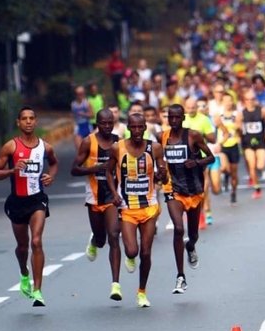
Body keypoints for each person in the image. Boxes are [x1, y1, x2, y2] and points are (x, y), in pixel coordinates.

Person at [0, 106, 58, 306]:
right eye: (24, 119)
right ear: (18, 123)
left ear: (36, 121)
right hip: (17, 201)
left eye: (31, 118)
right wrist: (12, 171)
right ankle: (23, 273)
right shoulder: (10, 147)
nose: (28, 122)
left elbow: (54, 163)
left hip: (37, 199)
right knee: (22, 246)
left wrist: (50, 176)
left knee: (36, 241)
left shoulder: (45, 147)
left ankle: (37, 291)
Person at [106, 113, 165, 308]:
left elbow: (163, 176)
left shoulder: (154, 148)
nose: (138, 131)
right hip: (127, 207)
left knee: (146, 253)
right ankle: (130, 256)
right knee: (132, 250)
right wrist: (114, 193)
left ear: (145, 127)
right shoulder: (118, 148)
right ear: (129, 128)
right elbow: (108, 171)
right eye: (134, 127)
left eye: (141, 127)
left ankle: (142, 292)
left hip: (148, 206)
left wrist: (162, 174)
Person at [159, 104, 215, 294]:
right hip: (173, 189)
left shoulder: (193, 135)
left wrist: (196, 162)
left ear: (183, 118)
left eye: (177, 118)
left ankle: (190, 246)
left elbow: (211, 157)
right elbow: (157, 158)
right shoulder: (163, 136)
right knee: (178, 228)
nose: (174, 121)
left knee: (193, 235)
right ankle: (180, 276)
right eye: (170, 117)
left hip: (194, 189)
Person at [70, 108, 122, 301]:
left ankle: (115, 285)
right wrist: (94, 168)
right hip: (94, 195)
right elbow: (74, 169)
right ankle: (94, 240)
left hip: (113, 196)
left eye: (110, 123)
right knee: (101, 239)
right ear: (97, 124)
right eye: (103, 123)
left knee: (114, 236)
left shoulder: (119, 141)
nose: (107, 126)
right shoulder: (88, 142)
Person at [182, 97, 217, 222]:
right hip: (185, 158)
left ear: (197, 107)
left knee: (202, 187)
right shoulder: (182, 119)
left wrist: (200, 135)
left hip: (201, 157)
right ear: (185, 108)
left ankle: (204, 211)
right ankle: (194, 210)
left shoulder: (204, 119)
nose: (191, 110)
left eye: (193, 107)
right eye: (189, 108)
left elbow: (213, 139)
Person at [241, 89, 265, 199]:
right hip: (248, 143)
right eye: (248, 99)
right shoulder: (241, 113)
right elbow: (237, 126)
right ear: (244, 101)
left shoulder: (262, 111)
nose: (250, 101)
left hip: (260, 141)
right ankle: (257, 188)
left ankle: (256, 175)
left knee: (260, 165)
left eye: (252, 99)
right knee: (251, 165)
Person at [214, 93, 242, 204]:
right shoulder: (218, 115)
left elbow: (239, 127)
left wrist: (236, 128)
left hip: (233, 144)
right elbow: (215, 127)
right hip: (222, 145)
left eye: (230, 101)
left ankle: (233, 191)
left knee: (234, 173)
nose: (228, 103)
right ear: (222, 102)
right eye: (225, 101)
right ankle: (225, 175)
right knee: (225, 167)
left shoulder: (237, 114)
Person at [71, 85, 93, 149]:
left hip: (87, 125)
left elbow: (92, 115)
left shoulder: (86, 103)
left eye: (82, 93)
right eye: (78, 94)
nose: (80, 95)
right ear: (75, 94)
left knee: (91, 148)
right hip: (78, 126)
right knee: (79, 149)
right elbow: (73, 116)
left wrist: (83, 114)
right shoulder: (73, 104)